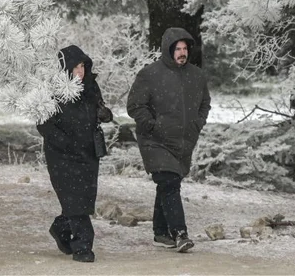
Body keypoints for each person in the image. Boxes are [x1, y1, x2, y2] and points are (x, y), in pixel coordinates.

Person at [126, 27, 210, 253]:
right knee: (170, 183)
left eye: (185, 49)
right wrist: (153, 125)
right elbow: (135, 105)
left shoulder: (196, 76)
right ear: (168, 50)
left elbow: (205, 104)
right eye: (178, 49)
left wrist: (196, 124)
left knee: (168, 184)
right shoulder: (150, 74)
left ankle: (161, 232)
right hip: (155, 141)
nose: (182, 53)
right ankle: (180, 233)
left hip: (183, 142)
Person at [36, 44, 113, 263]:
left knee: (83, 199)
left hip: (88, 152)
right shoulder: (52, 90)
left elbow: (98, 109)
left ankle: (61, 228)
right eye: (75, 67)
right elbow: (43, 123)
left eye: (82, 66)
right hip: (61, 154)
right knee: (73, 198)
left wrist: (104, 114)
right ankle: (83, 247)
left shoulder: (91, 86)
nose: (80, 71)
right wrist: (65, 142)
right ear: (65, 68)